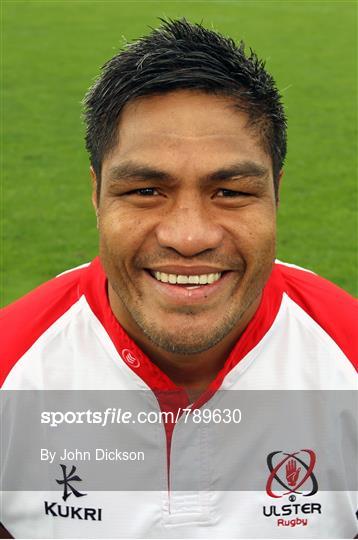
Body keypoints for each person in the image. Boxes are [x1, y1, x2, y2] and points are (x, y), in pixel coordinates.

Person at [0, 18, 356, 539]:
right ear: (96, 195)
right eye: (146, 190)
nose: (189, 237)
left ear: (276, 193)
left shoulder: (347, 358)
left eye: (230, 191)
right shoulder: (12, 370)